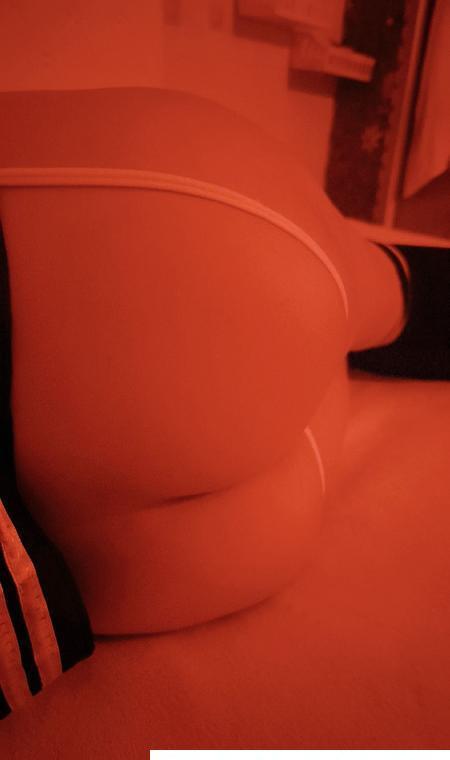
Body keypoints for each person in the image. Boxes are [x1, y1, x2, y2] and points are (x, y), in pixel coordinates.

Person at [0, 86, 447, 724]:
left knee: (348, 321)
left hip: (168, 229)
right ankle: (392, 291)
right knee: (370, 298)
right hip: (172, 215)